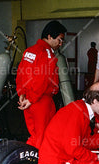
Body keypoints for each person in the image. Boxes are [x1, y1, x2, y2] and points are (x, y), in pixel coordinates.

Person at [16, 20, 66, 149]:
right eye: (59, 40)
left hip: (27, 99)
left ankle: (26, 160)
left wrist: (22, 94)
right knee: (44, 136)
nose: (60, 44)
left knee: (35, 135)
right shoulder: (47, 53)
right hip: (41, 100)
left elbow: (20, 74)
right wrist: (32, 99)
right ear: (49, 36)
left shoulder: (29, 51)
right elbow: (42, 79)